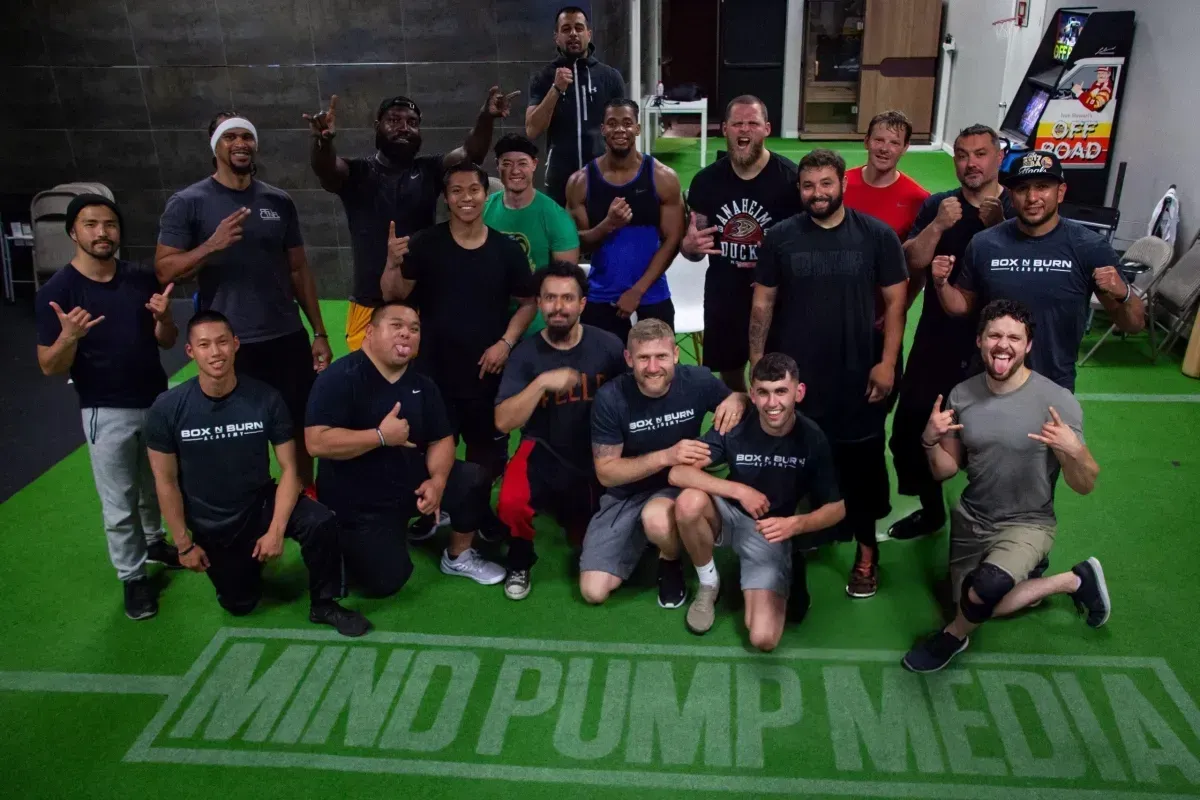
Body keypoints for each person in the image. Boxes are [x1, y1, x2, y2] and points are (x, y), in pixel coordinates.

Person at [902, 300, 1110, 672]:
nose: (1003, 345)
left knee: (986, 590)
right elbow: (945, 471)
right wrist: (930, 441)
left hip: (1028, 520)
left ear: (1028, 345)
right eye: (995, 335)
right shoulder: (962, 395)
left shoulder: (1056, 401)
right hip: (973, 519)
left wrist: (1074, 451)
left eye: (1015, 337)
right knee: (974, 602)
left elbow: (1085, 484)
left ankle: (952, 637)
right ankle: (1073, 580)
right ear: (980, 341)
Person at [144, 311, 370, 636]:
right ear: (191, 352)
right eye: (205, 345)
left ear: (235, 344)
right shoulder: (167, 409)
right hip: (212, 520)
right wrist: (183, 545)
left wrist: (276, 530)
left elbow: (291, 469)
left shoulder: (264, 398)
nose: (216, 352)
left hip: (259, 503)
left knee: (319, 521)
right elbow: (164, 482)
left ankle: (325, 603)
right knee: (240, 604)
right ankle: (248, 564)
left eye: (222, 342)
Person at [750, 148, 907, 600]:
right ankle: (798, 539)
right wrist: (758, 363)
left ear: (842, 185)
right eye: (808, 185)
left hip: (859, 377)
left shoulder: (876, 236)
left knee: (863, 467)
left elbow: (896, 303)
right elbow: (762, 304)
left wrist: (888, 362)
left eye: (825, 184)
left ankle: (865, 552)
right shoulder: (780, 238)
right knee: (797, 460)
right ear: (799, 189)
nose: (817, 194)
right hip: (800, 380)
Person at [156, 112, 329, 489]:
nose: (240, 144)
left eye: (246, 137)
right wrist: (210, 246)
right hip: (229, 342)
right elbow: (166, 269)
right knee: (238, 433)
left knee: (299, 427)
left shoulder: (277, 201)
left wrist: (319, 332)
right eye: (230, 137)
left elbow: (299, 269)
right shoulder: (188, 202)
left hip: (284, 336)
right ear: (215, 146)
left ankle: (306, 506)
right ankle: (250, 508)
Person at [35, 195, 180, 620]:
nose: (102, 233)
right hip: (105, 408)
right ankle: (133, 578)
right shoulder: (58, 292)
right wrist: (69, 338)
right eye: (91, 224)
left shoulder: (139, 278)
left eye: (110, 224)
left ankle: (154, 542)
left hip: (154, 397)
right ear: (73, 232)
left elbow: (167, 340)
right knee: (119, 500)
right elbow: (48, 365)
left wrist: (165, 319)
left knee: (155, 483)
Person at [305, 301, 505, 594]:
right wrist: (380, 436)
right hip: (359, 499)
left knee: (471, 478)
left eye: (414, 329)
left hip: (408, 482)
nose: (406, 334)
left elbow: (442, 439)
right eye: (395, 326)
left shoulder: (423, 384)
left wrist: (436, 482)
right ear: (370, 333)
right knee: (384, 582)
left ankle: (458, 556)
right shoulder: (338, 378)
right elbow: (316, 441)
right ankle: (355, 540)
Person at [305, 88, 521, 351]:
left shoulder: (430, 170)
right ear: (377, 126)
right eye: (394, 121)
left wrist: (486, 118)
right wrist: (323, 142)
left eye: (412, 123)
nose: (404, 128)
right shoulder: (356, 174)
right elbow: (327, 168)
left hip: (423, 303)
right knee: (371, 385)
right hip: (370, 304)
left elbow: (469, 155)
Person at [669, 354, 845, 650]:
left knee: (763, 638)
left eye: (781, 392)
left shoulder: (812, 438)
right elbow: (678, 472)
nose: (772, 403)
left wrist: (796, 524)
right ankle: (709, 583)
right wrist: (738, 490)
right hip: (728, 513)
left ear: (798, 393)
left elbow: (837, 509)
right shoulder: (735, 425)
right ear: (751, 394)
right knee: (688, 502)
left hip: (769, 530)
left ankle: (782, 569)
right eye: (762, 392)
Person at [380, 161, 537, 494]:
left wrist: (506, 344)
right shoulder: (426, 244)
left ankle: (478, 518)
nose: (466, 198)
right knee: (434, 447)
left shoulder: (506, 250)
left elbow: (528, 303)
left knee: (488, 455)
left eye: (474, 190)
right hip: (434, 372)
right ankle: (437, 512)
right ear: (446, 198)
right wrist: (392, 264)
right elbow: (394, 296)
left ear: (485, 194)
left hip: (487, 373)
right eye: (456, 191)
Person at [933, 149, 1144, 392]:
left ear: (1061, 192)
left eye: (1042, 186)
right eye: (1022, 189)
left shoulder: (1089, 247)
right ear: (1011, 196)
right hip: (988, 382)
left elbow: (1133, 324)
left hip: (1052, 387)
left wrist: (1124, 293)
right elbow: (963, 306)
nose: (1032, 197)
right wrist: (941, 284)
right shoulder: (984, 243)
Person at [888, 125, 1011, 542]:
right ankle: (931, 510)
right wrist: (938, 226)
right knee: (910, 427)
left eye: (980, 154)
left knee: (993, 438)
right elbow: (913, 261)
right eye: (961, 154)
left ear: (998, 157)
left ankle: (991, 525)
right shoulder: (941, 205)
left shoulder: (1016, 204)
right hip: (939, 336)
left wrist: (1003, 226)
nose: (970, 163)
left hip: (998, 344)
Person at [584, 319, 748, 608]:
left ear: (675, 354)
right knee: (594, 591)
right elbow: (607, 474)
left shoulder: (697, 380)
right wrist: (666, 456)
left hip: (676, 487)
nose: (652, 367)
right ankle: (654, 541)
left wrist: (738, 398)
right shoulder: (610, 398)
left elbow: (741, 408)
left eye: (661, 356)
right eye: (643, 358)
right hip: (625, 493)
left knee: (656, 518)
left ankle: (669, 559)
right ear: (628, 359)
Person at [494, 261, 626, 599]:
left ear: (582, 304)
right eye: (550, 298)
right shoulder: (525, 355)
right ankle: (520, 558)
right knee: (510, 502)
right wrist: (541, 383)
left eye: (568, 298)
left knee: (588, 534)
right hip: (544, 448)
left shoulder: (609, 346)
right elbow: (503, 421)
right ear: (539, 303)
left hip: (596, 454)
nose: (558, 307)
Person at [680, 95, 801, 391]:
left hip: (776, 295)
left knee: (777, 370)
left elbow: (804, 248)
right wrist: (689, 248)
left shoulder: (791, 181)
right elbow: (695, 247)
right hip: (725, 291)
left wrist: (776, 268)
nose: (744, 130)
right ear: (724, 128)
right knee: (730, 370)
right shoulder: (705, 182)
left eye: (752, 123)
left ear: (767, 128)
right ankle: (741, 418)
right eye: (737, 123)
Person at [566, 99, 685, 342]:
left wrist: (638, 291)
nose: (620, 129)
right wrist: (607, 225)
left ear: (638, 129)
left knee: (658, 372)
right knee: (601, 373)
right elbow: (575, 244)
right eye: (612, 123)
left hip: (652, 293)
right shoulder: (580, 182)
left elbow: (673, 239)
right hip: (601, 295)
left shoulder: (663, 177)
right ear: (603, 130)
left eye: (627, 123)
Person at [526, 5, 628, 206]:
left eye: (579, 28)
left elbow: (623, 130)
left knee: (604, 233)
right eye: (566, 29)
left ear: (589, 34)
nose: (573, 33)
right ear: (556, 37)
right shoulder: (543, 78)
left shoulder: (610, 77)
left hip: (604, 177)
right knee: (564, 236)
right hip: (559, 181)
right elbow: (532, 129)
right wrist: (556, 89)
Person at [484, 133, 581, 338]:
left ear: (535, 164)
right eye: (507, 164)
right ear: (497, 165)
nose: (515, 171)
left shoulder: (555, 217)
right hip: (490, 322)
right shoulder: (483, 211)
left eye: (522, 163)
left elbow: (567, 282)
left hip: (538, 328)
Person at [843, 110, 930, 244]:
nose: (884, 148)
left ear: (905, 148)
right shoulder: (840, 184)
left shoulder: (918, 198)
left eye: (894, 143)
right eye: (879, 140)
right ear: (866, 141)